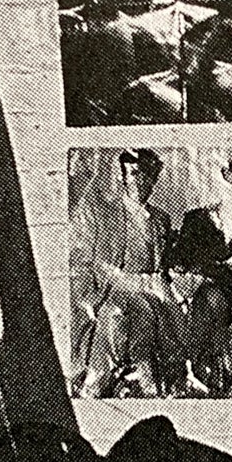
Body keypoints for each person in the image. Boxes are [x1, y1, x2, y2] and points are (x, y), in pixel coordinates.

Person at [72, 149, 178, 398]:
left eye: (146, 175)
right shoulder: (103, 213)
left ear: (154, 180)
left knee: (150, 311)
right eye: (132, 174)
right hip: (111, 290)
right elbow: (86, 261)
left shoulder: (160, 220)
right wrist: (91, 297)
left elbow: (165, 267)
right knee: (121, 312)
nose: (138, 181)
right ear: (122, 176)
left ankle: (144, 380)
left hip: (150, 292)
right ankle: (104, 380)